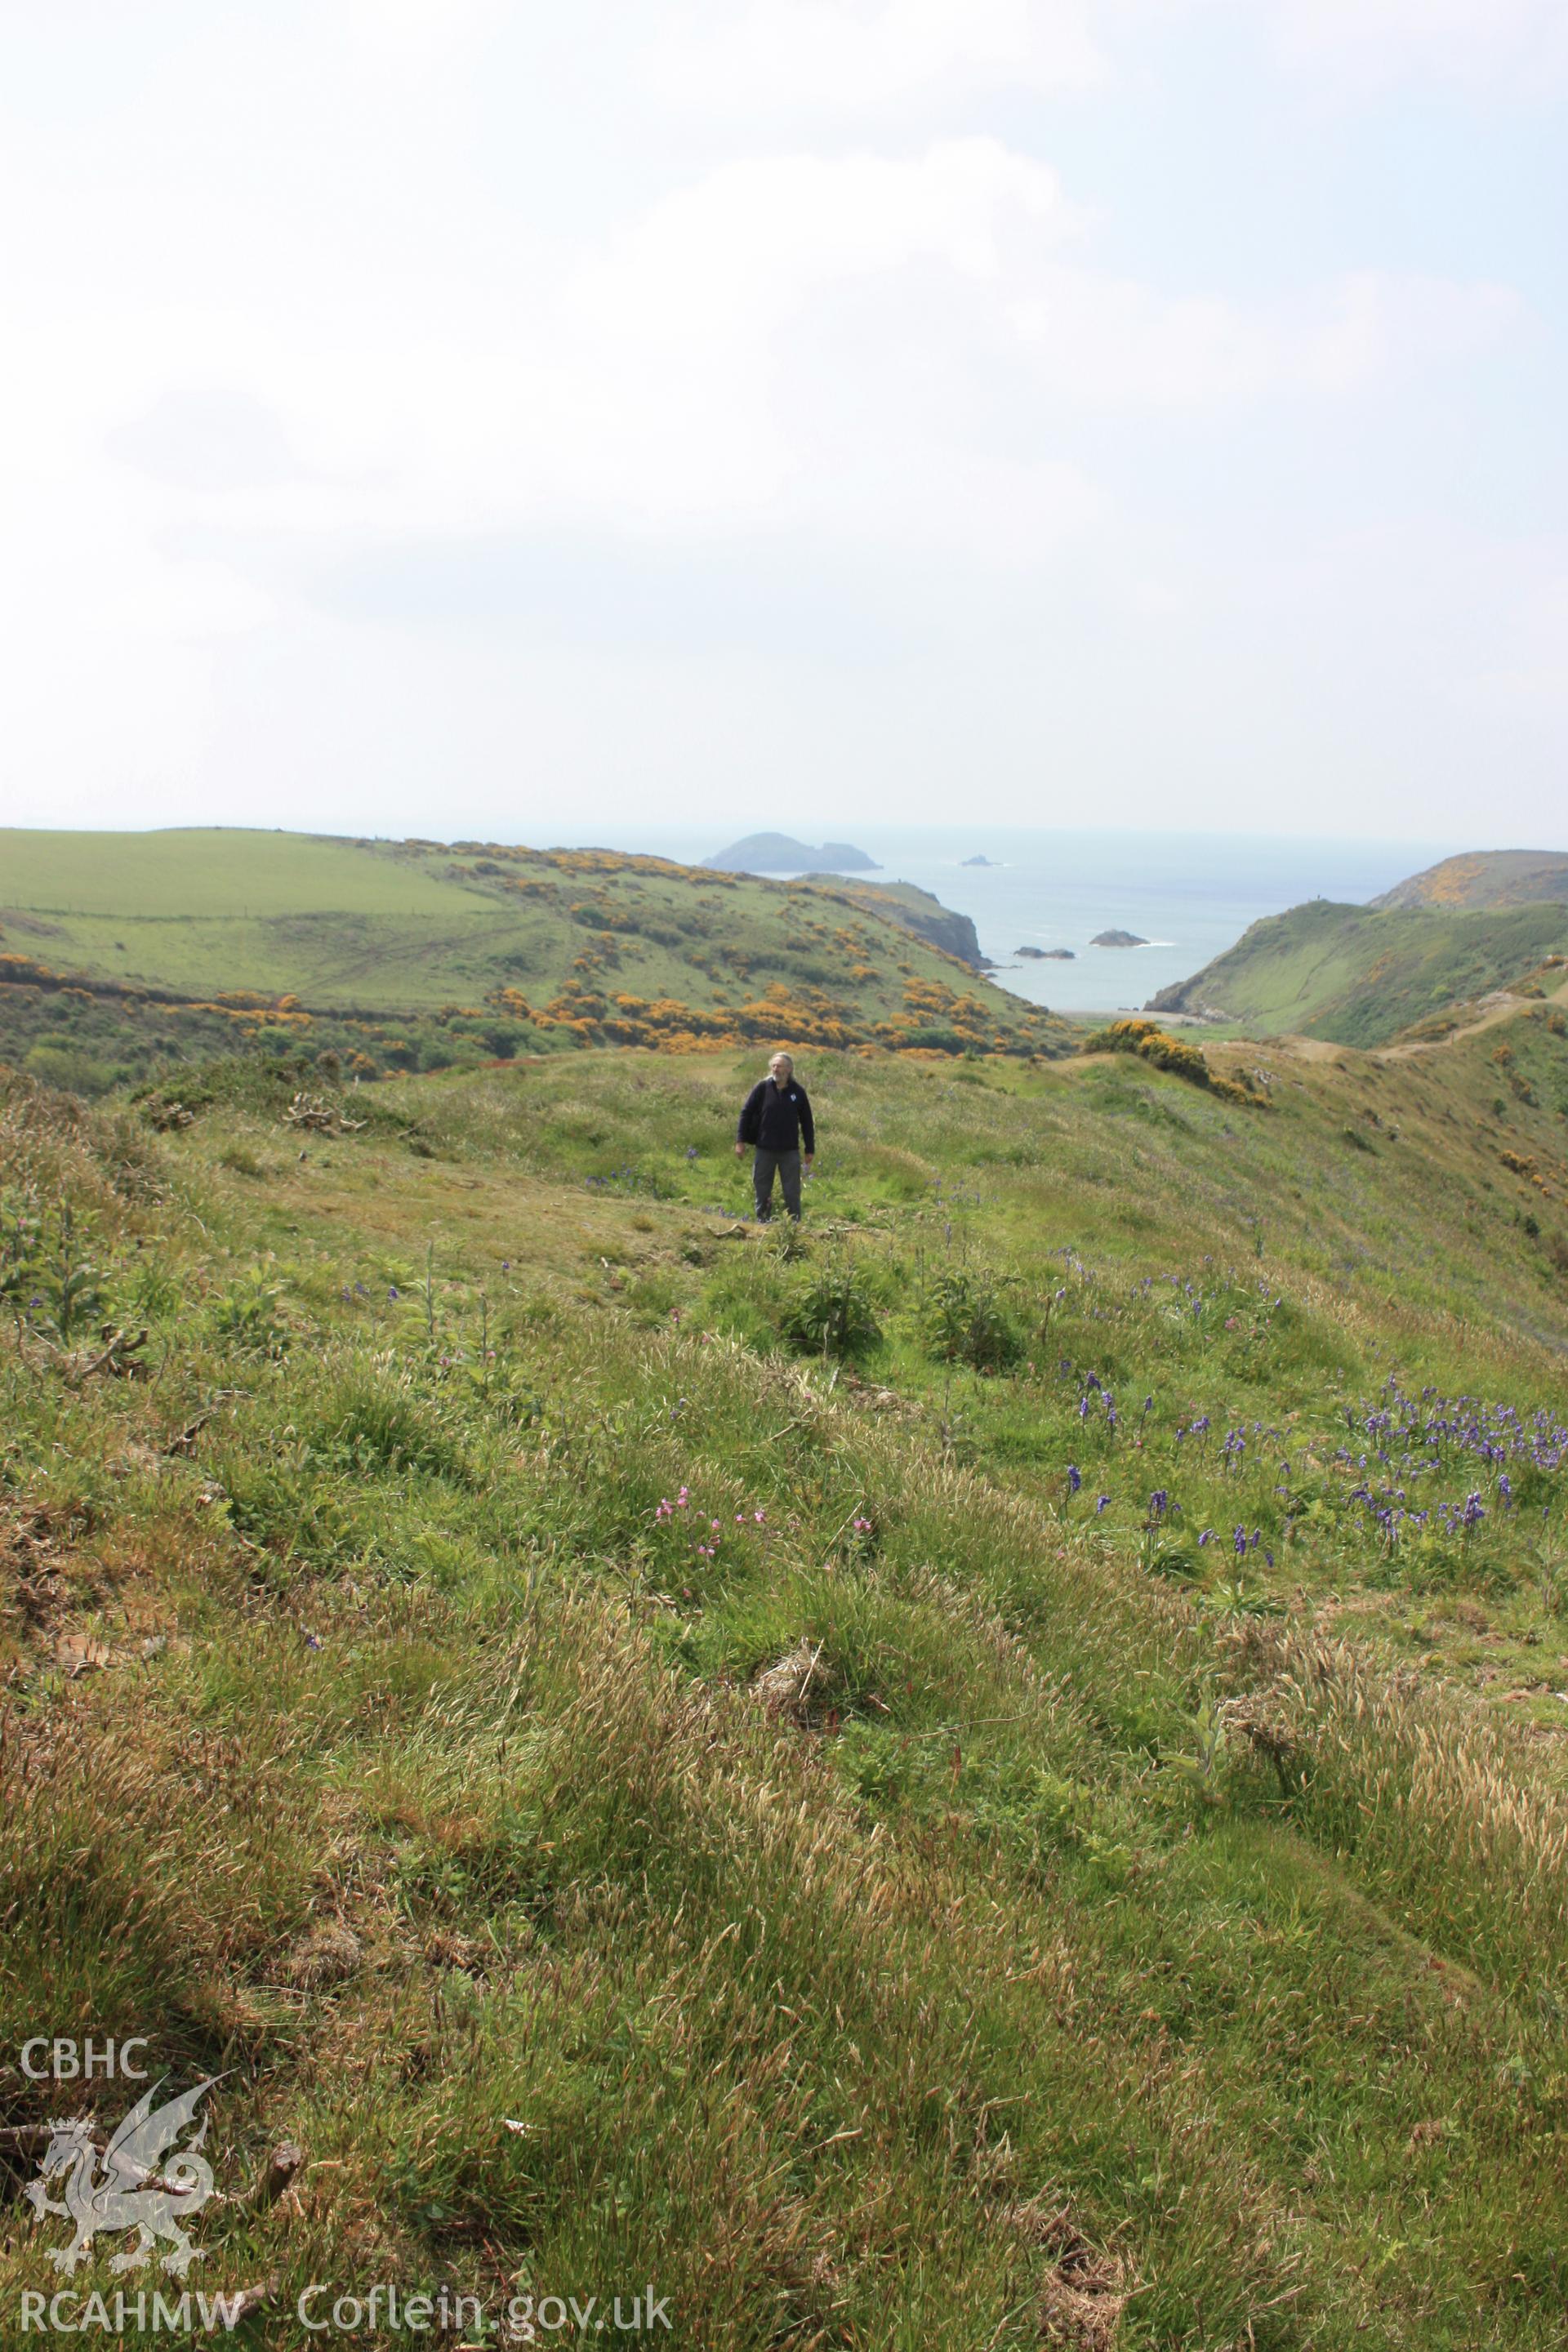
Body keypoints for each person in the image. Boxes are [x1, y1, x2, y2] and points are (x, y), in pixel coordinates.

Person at [734, 1051, 815, 1222]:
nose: (776, 1069)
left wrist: (810, 1149)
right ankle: (762, 1223)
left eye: (780, 1066)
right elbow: (746, 1113)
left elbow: (807, 1122)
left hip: (789, 1152)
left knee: (792, 1191)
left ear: (789, 1069)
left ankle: (793, 1225)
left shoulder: (798, 1092)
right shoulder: (762, 1088)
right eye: (774, 1066)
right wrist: (740, 1141)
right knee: (762, 1189)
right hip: (764, 1149)